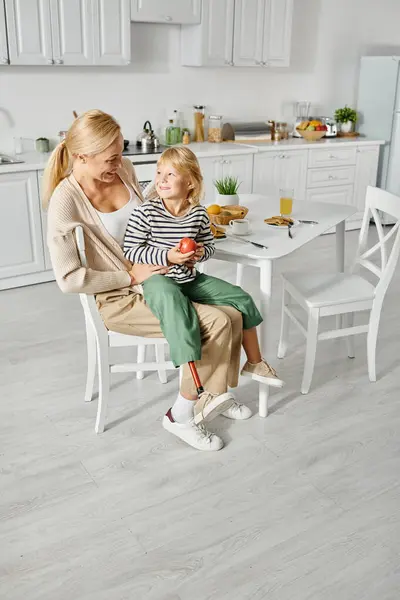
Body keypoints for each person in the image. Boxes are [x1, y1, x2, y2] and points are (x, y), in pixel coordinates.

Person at [43, 109, 253, 452]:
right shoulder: (65, 201)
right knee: (215, 321)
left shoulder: (122, 170)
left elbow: (151, 213)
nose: (121, 162)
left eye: (121, 153)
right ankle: (180, 415)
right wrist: (128, 275)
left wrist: (186, 226)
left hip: (162, 278)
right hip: (118, 297)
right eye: (112, 157)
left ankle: (214, 394)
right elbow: (69, 279)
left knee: (233, 311)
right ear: (82, 156)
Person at [123, 146, 283, 397]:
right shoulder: (146, 212)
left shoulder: (198, 213)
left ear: (190, 181)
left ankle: (255, 363)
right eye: (159, 173)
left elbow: (208, 246)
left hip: (189, 278)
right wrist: (168, 256)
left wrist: (199, 253)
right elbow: (131, 251)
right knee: (175, 305)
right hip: (158, 279)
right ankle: (197, 386)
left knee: (240, 297)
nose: (161, 180)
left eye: (171, 174)